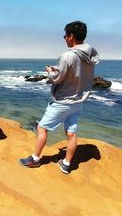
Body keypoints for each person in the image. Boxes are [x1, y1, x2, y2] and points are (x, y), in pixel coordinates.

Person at [18, 21, 99, 174]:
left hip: (63, 101)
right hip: (79, 101)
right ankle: (66, 164)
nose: (64, 38)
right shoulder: (90, 56)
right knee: (71, 132)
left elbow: (57, 78)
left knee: (42, 128)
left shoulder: (67, 56)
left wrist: (50, 71)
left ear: (71, 36)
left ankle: (35, 159)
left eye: (65, 35)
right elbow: (76, 74)